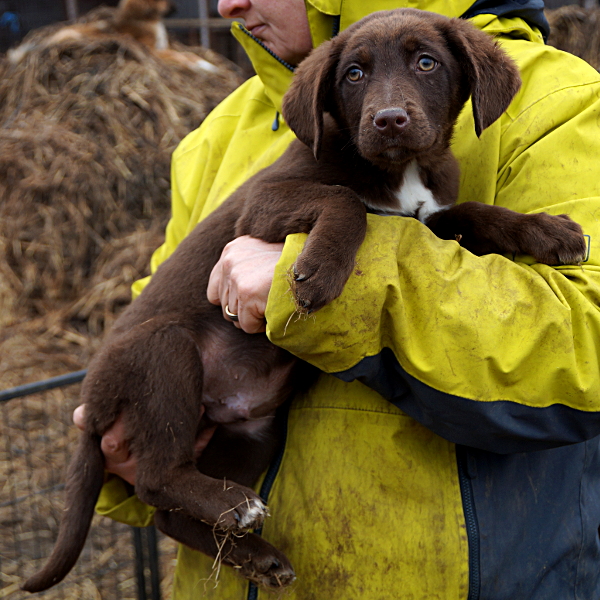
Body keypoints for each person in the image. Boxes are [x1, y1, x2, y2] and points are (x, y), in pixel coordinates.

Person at [75, 0, 600, 598]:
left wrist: (329, 281)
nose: (226, 5)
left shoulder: (556, 95)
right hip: (215, 458)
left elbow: (585, 352)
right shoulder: (213, 135)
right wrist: (126, 454)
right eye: (356, 75)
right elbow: (146, 328)